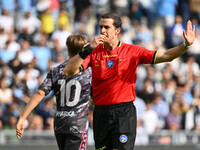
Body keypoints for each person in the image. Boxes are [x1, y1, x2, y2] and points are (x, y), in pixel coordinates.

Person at [64, 12, 195, 150]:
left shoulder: (132, 51)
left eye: (106, 27)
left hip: (123, 113)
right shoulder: (92, 51)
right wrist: (88, 49)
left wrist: (185, 46)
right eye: (101, 27)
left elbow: (165, 55)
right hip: (100, 113)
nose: (102, 31)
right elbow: (69, 71)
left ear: (117, 30)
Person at [16, 34, 92, 150]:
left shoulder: (56, 71)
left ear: (67, 49)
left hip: (60, 123)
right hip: (78, 124)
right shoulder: (89, 71)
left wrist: (23, 117)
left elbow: (40, 93)